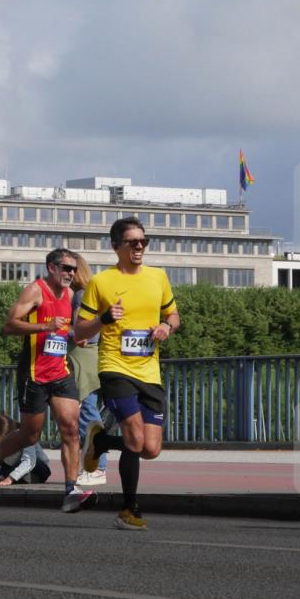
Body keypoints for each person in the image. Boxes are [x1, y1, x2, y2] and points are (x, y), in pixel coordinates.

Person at [77, 217, 181, 531]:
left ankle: (101, 441)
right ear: (115, 246)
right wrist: (104, 319)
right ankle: (128, 509)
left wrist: (166, 327)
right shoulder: (101, 283)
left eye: (143, 241)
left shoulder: (158, 277)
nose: (139, 247)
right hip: (115, 367)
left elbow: (173, 315)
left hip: (149, 370)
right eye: (132, 242)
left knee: (150, 448)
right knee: (134, 437)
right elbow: (80, 329)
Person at [0, 248, 96, 513]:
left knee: (70, 427)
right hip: (34, 372)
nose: (71, 273)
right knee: (30, 435)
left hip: (61, 370)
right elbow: (9, 325)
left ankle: (71, 488)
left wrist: (78, 335)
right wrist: (45, 327)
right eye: (66, 268)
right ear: (51, 267)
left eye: (73, 269)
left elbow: (69, 331)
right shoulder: (35, 290)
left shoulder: (70, 294)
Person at [68, 253, 108, 486]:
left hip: (82, 359)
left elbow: (84, 334)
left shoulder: (81, 295)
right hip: (87, 359)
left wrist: (56, 330)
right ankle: (93, 467)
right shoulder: (86, 294)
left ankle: (98, 468)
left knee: (87, 416)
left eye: (69, 268)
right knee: (86, 415)